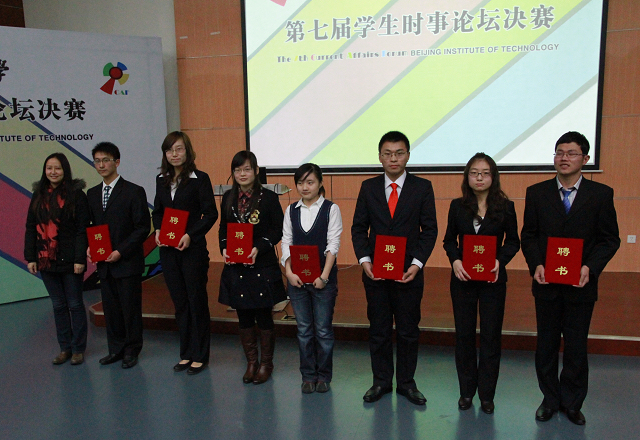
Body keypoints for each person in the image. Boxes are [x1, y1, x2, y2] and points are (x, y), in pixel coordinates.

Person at [521, 131, 620, 425]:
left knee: (576, 346)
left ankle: (573, 402)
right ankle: (549, 400)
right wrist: (536, 264)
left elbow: (609, 239)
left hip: (581, 285)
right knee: (546, 345)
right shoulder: (536, 192)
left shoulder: (601, 194)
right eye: (559, 152)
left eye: (571, 153)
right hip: (546, 284)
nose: (564, 158)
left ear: (585, 159)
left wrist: (591, 267)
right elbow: (529, 235)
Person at [351, 131, 438, 405]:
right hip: (376, 274)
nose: (393, 159)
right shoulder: (368, 187)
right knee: (378, 330)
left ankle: (407, 383)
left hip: (407, 274)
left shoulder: (422, 187)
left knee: (408, 331)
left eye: (399, 153)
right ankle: (380, 382)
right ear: (380, 157)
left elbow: (429, 230)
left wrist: (417, 264)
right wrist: (364, 260)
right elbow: (358, 228)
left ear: (408, 156)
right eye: (388, 154)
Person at [443, 153, 520, 414]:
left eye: (485, 173)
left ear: (493, 177)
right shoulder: (457, 206)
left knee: (490, 336)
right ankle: (466, 391)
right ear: (467, 176)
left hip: (493, 280)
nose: (479, 178)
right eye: (474, 173)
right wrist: (455, 260)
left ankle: (487, 394)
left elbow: (513, 241)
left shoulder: (506, 207)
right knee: (464, 336)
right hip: (463, 279)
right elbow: (449, 240)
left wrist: (500, 260)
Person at [152, 132, 218, 375]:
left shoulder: (200, 179)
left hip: (192, 250)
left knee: (196, 300)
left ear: (187, 151)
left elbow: (210, 214)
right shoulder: (161, 179)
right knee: (180, 303)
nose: (174, 154)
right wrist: (158, 229)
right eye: (170, 150)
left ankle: (200, 355)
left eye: (179, 149)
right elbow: (158, 211)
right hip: (168, 251)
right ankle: (186, 353)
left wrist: (190, 235)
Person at [218, 150, 286, 384]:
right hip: (237, 266)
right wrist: (224, 248)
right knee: (243, 315)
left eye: (247, 169)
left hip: (261, 265)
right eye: (237, 170)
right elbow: (223, 228)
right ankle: (251, 362)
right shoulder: (228, 197)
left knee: (264, 315)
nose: (242, 174)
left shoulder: (269, 198)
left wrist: (259, 246)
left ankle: (266, 364)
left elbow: (278, 230)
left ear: (256, 171)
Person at [87, 142, 150, 369]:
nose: (101, 165)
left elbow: (142, 228)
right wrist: (90, 247)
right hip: (104, 264)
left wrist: (120, 251)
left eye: (106, 160)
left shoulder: (134, 191)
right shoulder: (92, 194)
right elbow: (92, 226)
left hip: (127, 261)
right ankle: (115, 349)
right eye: (97, 161)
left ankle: (132, 350)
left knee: (130, 309)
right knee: (111, 309)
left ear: (117, 162)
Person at [281, 163, 343, 394]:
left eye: (310, 182)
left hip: (323, 282)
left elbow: (333, 244)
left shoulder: (331, 209)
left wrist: (324, 277)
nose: (304, 187)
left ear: (320, 183)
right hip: (296, 281)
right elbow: (286, 242)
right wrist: (289, 272)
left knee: (323, 331)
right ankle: (308, 376)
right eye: (300, 183)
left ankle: (324, 376)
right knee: (304, 330)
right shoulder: (291, 210)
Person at [24, 153, 90, 366]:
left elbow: (82, 229)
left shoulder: (77, 195)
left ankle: (78, 349)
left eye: (58, 168)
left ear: (65, 170)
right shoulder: (38, 195)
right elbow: (30, 227)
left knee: (75, 304)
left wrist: (80, 259)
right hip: (46, 260)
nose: (53, 172)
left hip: (71, 261)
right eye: (49, 168)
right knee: (58, 305)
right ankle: (65, 348)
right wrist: (31, 257)